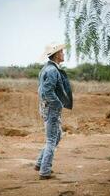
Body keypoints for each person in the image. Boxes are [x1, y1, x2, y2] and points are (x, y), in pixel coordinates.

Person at [34, 42, 73, 180]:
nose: (63, 53)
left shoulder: (47, 68)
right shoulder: (52, 70)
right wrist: (57, 104)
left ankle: (40, 163)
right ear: (56, 55)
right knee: (52, 139)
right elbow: (46, 91)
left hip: (48, 108)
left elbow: (42, 91)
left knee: (57, 136)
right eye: (61, 52)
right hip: (52, 109)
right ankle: (45, 171)